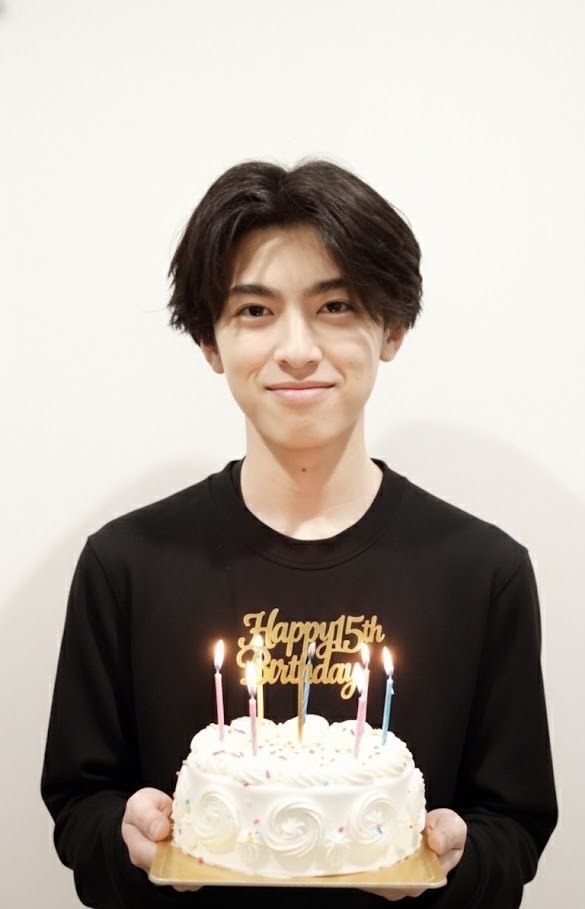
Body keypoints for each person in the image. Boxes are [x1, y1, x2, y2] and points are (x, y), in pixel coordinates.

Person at [41, 158, 557, 908]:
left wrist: (454, 863)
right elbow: (79, 807)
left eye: (336, 305)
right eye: (254, 310)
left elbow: (514, 828)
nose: (296, 349)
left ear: (392, 327)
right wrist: (130, 843)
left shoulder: (482, 571)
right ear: (210, 341)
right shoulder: (126, 565)